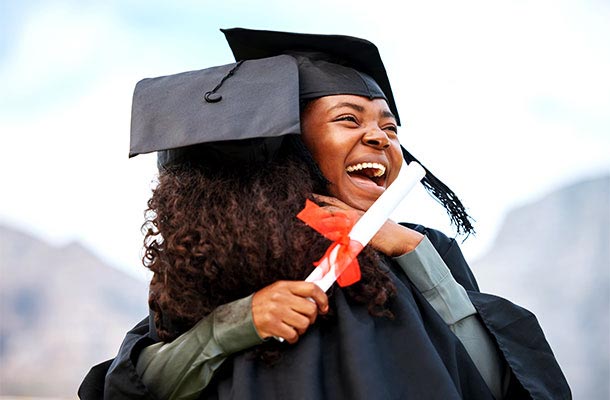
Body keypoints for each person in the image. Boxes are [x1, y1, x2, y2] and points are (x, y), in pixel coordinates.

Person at [79, 28, 570, 399]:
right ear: (294, 145)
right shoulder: (233, 253)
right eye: (347, 119)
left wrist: (413, 254)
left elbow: (494, 382)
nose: (380, 138)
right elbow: (138, 387)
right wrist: (231, 326)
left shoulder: (425, 248)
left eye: (390, 127)